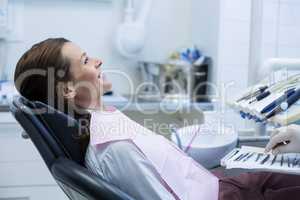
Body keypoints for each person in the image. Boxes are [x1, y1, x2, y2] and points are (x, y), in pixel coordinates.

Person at [14, 38, 300, 200]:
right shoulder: (113, 146)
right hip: (220, 196)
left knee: (284, 174)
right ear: (68, 89)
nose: (99, 60)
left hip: (217, 186)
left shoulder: (106, 122)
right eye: (86, 60)